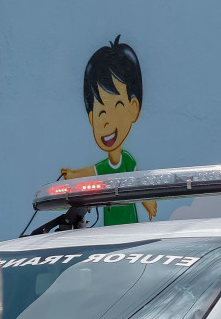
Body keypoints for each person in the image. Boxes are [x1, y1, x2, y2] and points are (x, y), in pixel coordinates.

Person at [60, 36, 154, 224]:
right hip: (108, 232)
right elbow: (90, 171)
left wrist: (148, 201)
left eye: (117, 105)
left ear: (133, 107)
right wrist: (72, 175)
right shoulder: (104, 167)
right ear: (91, 118)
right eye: (100, 112)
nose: (105, 123)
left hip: (131, 228)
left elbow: (139, 181)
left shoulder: (127, 160)